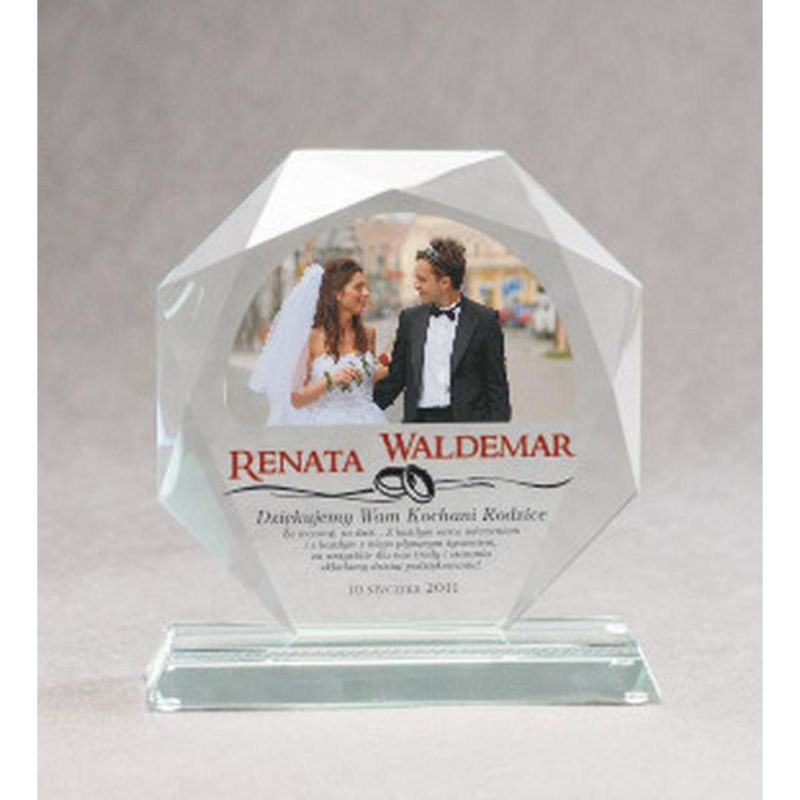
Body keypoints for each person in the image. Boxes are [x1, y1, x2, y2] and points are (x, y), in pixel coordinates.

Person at [374, 237, 511, 423]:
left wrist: (496, 434)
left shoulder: (485, 321)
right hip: (419, 426)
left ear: (445, 282)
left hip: (467, 428)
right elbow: (396, 379)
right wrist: (359, 410)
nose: (416, 285)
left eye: (422, 280)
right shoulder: (409, 320)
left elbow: (497, 388)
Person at [249, 258, 389, 425]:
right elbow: (296, 399)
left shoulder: (368, 333)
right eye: (358, 287)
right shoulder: (312, 338)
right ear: (337, 293)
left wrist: (389, 368)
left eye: (365, 287)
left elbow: (367, 382)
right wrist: (330, 380)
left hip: (368, 420)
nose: (366, 293)